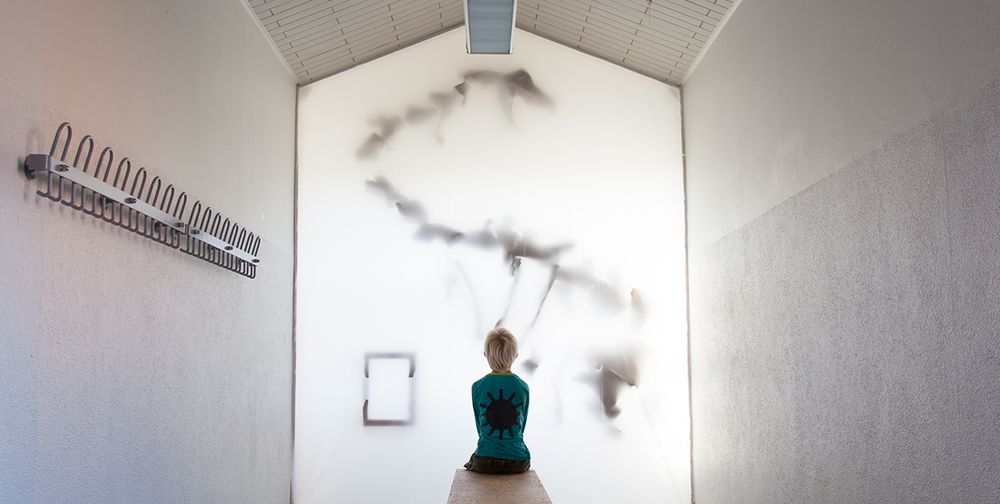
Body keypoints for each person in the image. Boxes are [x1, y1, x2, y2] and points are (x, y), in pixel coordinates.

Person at [463, 327, 531, 474]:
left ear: (485, 355)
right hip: (519, 462)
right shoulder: (523, 387)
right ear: (515, 355)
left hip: (485, 461)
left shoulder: (477, 387)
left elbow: (480, 427)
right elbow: (520, 427)